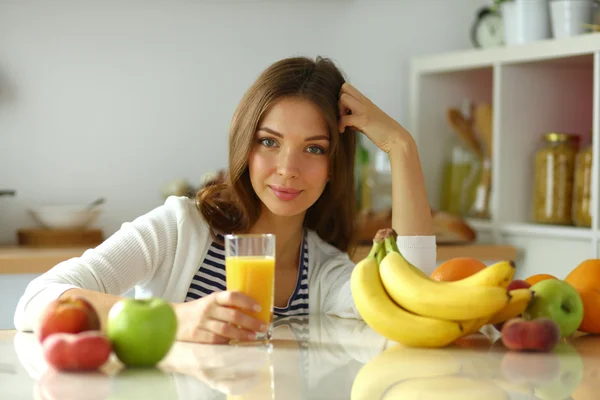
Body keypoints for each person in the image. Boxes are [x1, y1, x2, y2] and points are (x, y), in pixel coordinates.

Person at [13, 56, 435, 344]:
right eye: (269, 141)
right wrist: (176, 320)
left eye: (313, 148)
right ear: (244, 147)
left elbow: (412, 303)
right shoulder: (180, 229)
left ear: (333, 166)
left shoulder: (324, 272)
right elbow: (38, 299)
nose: (287, 168)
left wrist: (402, 146)